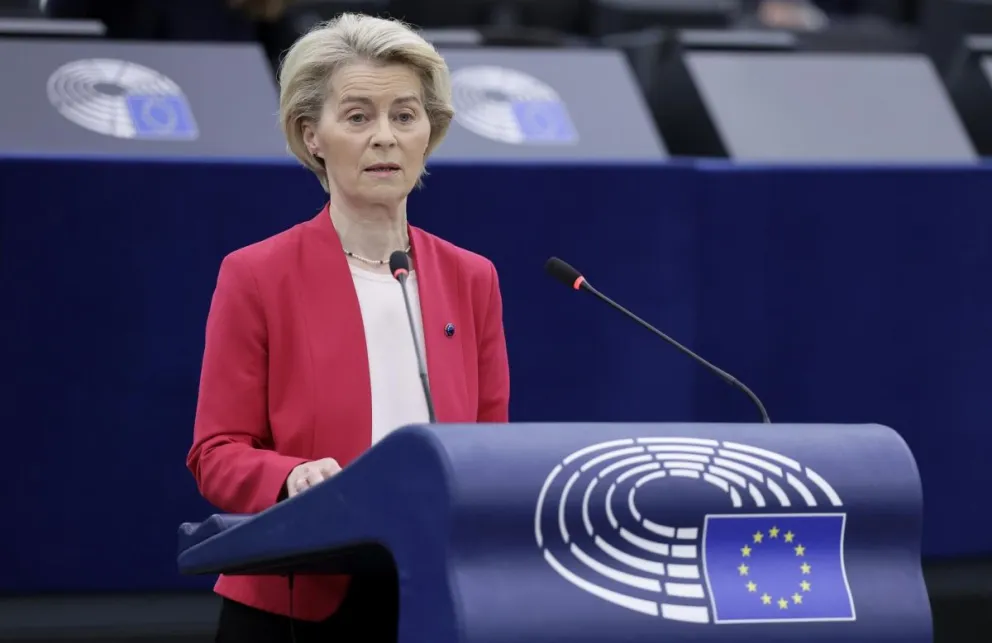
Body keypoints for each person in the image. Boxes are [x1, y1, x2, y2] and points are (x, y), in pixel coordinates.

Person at [186, 12, 511, 642]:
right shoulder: (257, 274)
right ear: (313, 136)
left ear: (430, 133)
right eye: (358, 117)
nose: (385, 137)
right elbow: (215, 453)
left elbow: (491, 452)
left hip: (432, 591)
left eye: (405, 115)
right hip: (295, 599)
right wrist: (288, 475)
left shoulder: (473, 279)